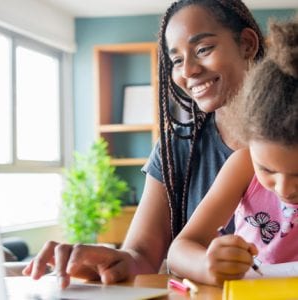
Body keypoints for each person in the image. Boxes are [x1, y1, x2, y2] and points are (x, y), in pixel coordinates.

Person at [22, 0, 265, 288]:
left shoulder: (288, 139)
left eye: (203, 49)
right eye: (175, 60)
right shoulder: (176, 150)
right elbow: (141, 256)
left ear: (247, 44)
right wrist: (113, 263)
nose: (187, 70)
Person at [167, 18, 298, 287]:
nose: (285, 188)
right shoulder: (243, 165)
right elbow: (178, 251)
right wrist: (206, 265)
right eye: (268, 170)